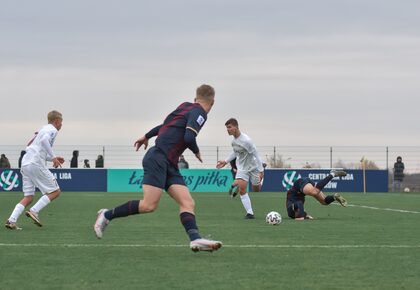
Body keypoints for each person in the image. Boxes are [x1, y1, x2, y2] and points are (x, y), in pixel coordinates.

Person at [94, 84, 222, 252]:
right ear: (212, 102)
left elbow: (164, 126)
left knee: (187, 202)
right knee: (149, 205)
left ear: (195, 98)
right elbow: (189, 137)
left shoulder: (185, 106)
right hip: (158, 158)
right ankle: (106, 215)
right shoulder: (201, 113)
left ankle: (195, 239)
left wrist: (146, 136)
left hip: (169, 162)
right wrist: (196, 151)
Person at [5, 110, 64, 230]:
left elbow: (34, 147)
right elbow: (44, 142)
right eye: (61, 122)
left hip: (26, 163)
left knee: (28, 197)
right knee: (55, 192)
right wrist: (53, 157)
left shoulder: (42, 130)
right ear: (57, 121)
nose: (61, 125)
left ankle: (11, 220)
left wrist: (52, 158)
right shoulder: (52, 130)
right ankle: (34, 211)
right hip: (35, 163)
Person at [216, 118, 264, 219]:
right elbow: (235, 152)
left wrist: (261, 170)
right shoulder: (234, 142)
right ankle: (250, 213)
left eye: (229, 127)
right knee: (242, 190)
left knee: (256, 189)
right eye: (227, 128)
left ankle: (258, 181)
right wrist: (225, 161)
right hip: (242, 168)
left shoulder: (247, 141)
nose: (227, 130)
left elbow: (256, 154)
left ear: (236, 127)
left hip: (254, 167)